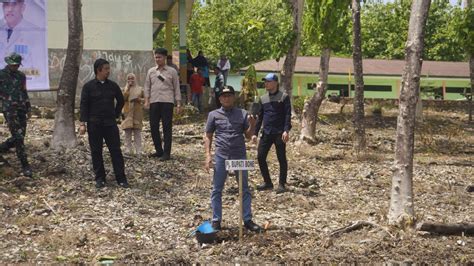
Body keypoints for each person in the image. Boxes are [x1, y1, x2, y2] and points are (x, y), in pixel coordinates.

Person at [204, 85, 262, 233]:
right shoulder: (213, 115)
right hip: (221, 155)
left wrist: (252, 125)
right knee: (217, 189)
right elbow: (208, 135)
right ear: (220, 99)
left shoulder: (242, 114)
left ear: (233, 97)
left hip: (239, 155)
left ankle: (247, 219)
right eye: (224, 96)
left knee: (244, 189)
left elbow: (248, 136)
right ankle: (216, 220)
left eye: (229, 95)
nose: (227, 98)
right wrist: (208, 155)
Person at [79, 58, 129, 189]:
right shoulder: (88, 87)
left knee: (115, 151)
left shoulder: (112, 86)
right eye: (106, 69)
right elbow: (84, 105)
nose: (108, 71)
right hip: (94, 124)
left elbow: (121, 100)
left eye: (108, 68)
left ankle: (121, 178)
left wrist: (115, 113)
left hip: (110, 123)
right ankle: (100, 179)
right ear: (98, 70)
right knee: (96, 151)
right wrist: (82, 123)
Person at [253, 73, 291, 194]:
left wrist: (286, 130)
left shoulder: (284, 97)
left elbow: (287, 115)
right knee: (260, 156)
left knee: (281, 158)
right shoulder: (263, 98)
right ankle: (267, 182)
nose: (266, 84)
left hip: (280, 132)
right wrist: (255, 133)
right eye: (265, 82)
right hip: (267, 132)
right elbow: (260, 117)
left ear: (275, 83)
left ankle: (282, 184)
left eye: (268, 81)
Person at [144, 48, 181, 161]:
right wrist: (146, 100)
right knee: (153, 126)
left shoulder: (172, 71)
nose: (157, 59)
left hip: (167, 102)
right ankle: (159, 150)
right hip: (154, 102)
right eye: (156, 57)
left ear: (165, 58)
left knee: (167, 127)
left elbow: (176, 87)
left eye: (159, 57)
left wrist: (178, 103)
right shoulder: (151, 71)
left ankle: (166, 153)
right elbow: (147, 86)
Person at [0, 52, 31, 177]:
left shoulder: (21, 76)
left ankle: (3, 146)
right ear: (8, 63)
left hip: (21, 109)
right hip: (9, 110)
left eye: (17, 65)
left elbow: (24, 92)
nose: (15, 67)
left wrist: (29, 108)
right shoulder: (1, 75)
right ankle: (25, 165)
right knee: (18, 137)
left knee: (21, 135)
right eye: (13, 65)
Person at [0, 0, 43, 70]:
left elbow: (39, 68)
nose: (10, 9)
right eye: (6, 5)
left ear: (23, 7)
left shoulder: (36, 33)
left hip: (22, 79)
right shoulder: (1, 29)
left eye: (14, 4)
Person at [121, 73, 144, 155]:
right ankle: (128, 149)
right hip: (127, 113)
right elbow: (122, 99)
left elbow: (145, 100)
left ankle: (139, 150)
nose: (131, 80)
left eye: (132, 78)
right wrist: (127, 89)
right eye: (129, 78)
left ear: (135, 79)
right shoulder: (124, 88)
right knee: (127, 132)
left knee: (137, 132)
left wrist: (139, 99)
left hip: (137, 112)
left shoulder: (140, 89)